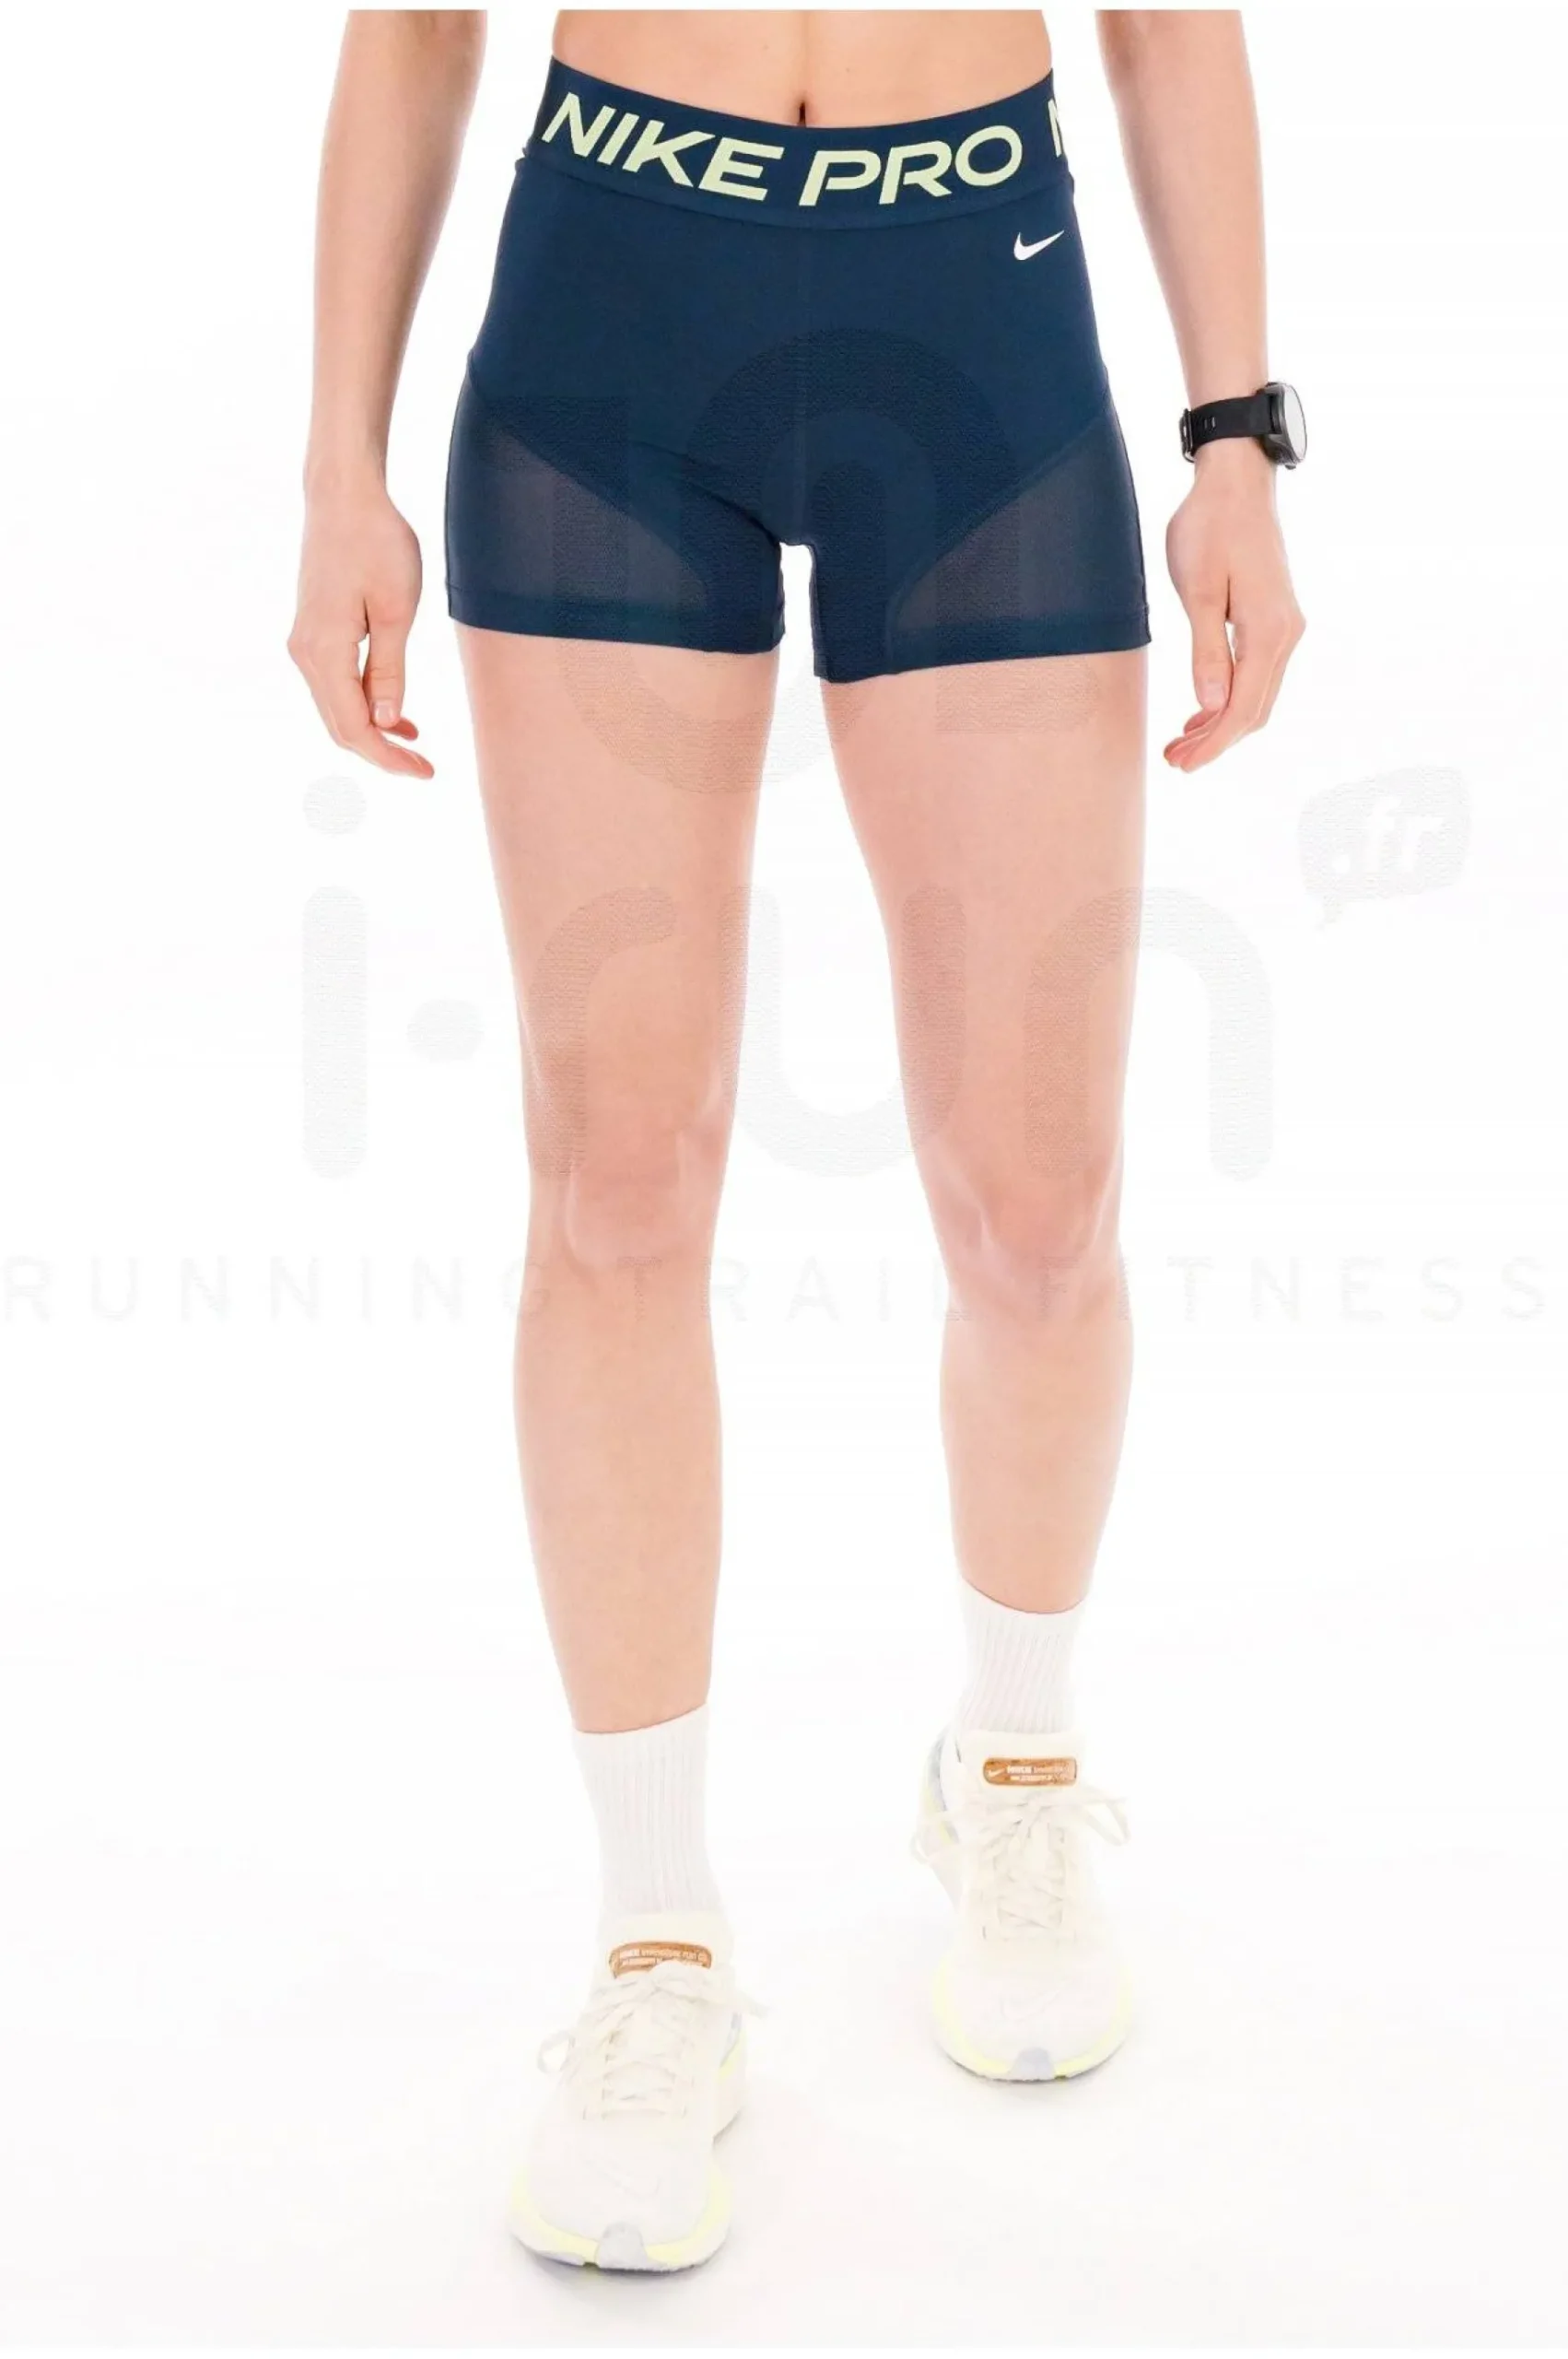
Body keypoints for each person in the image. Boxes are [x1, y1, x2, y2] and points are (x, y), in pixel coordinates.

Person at [290, 6, 1305, 2274]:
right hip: (609, 323)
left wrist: (1234, 437)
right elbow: (412, 26)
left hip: (972, 294)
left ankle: (1011, 1767)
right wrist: (335, 467)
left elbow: (1168, 24)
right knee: (617, 1180)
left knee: (1036, 1203)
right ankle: (654, 1945)